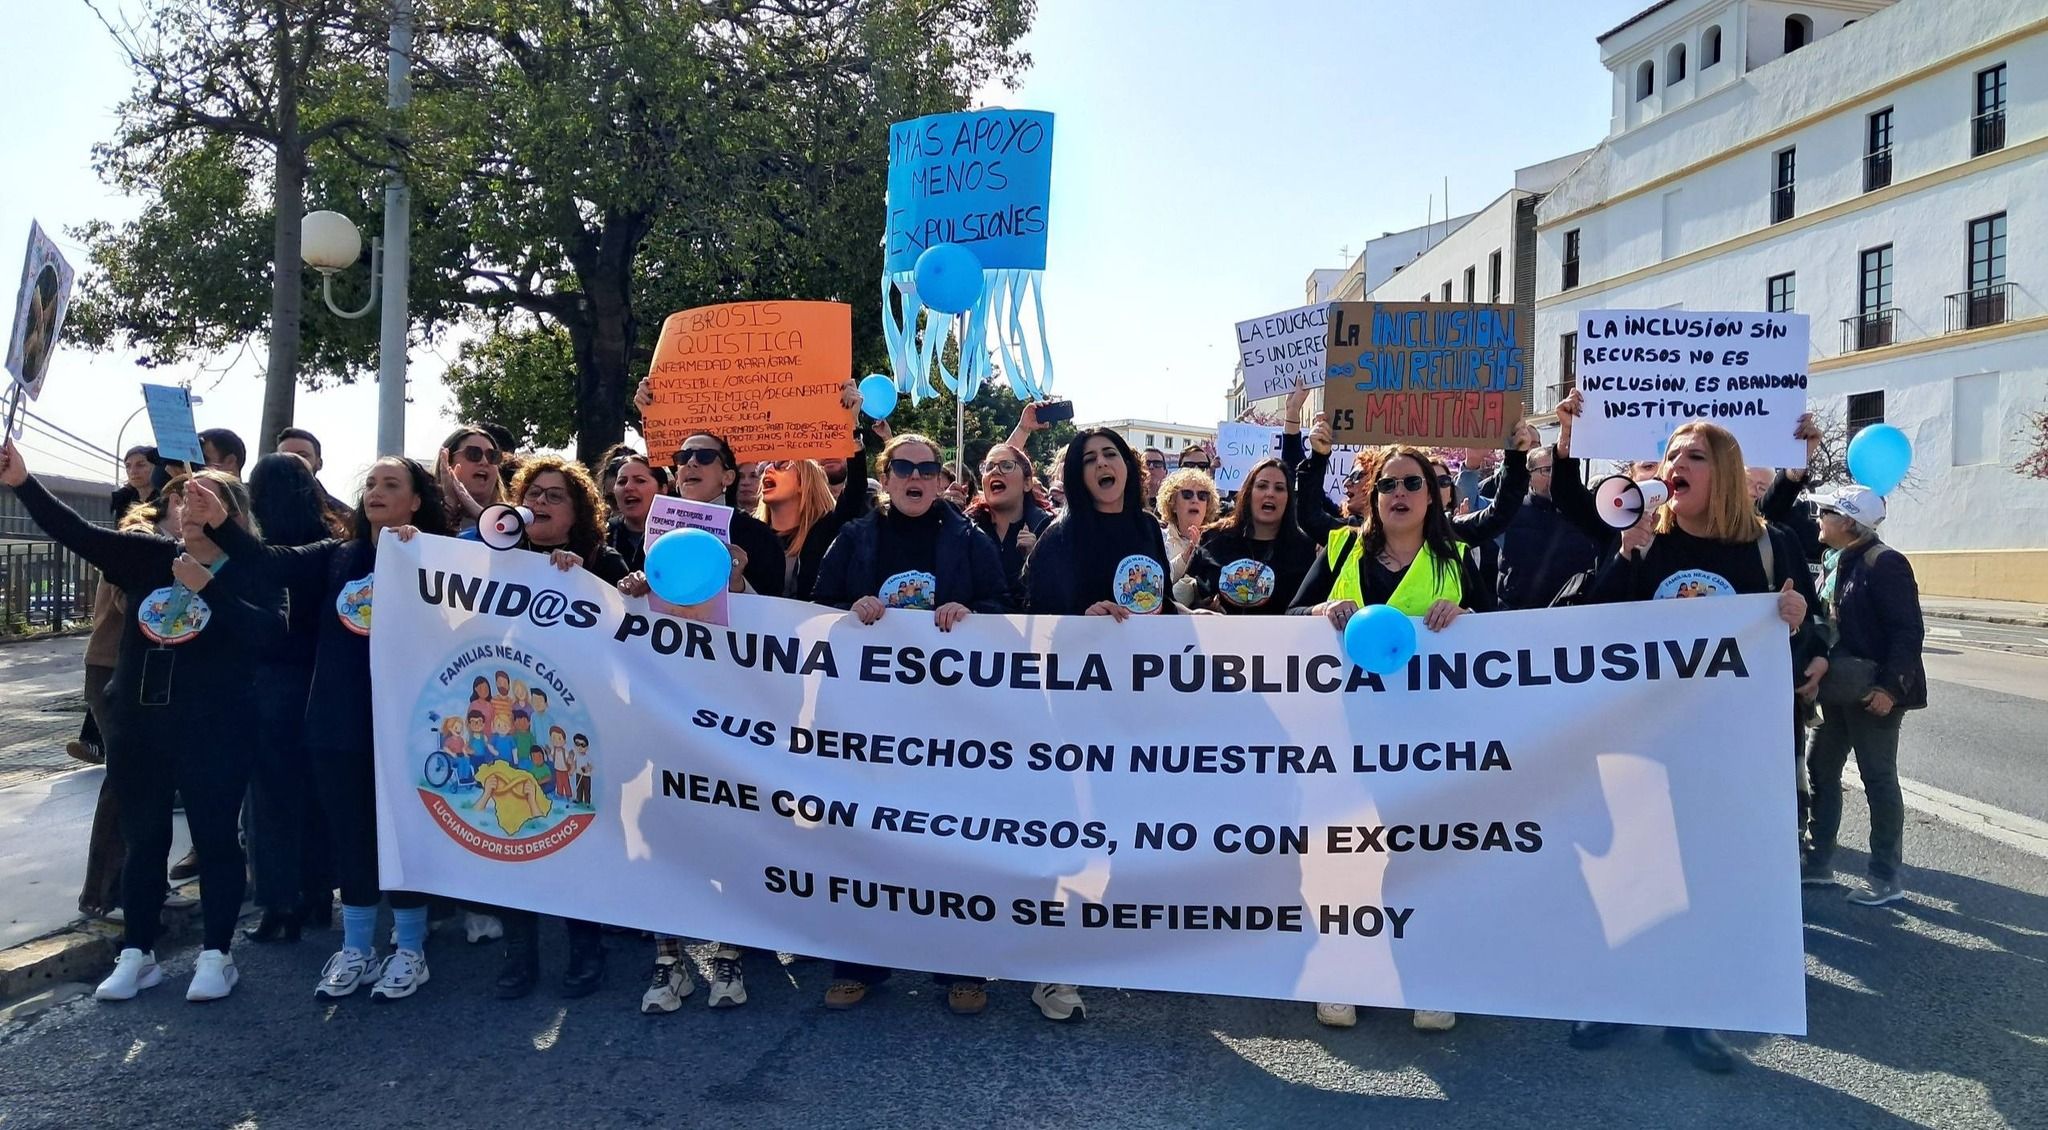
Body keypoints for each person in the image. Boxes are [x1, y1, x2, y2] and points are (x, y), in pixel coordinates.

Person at [1569, 419, 1824, 1074]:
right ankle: (1618, 997)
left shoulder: (1773, 545)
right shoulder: (1644, 542)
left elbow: (1809, 636)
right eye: (1673, 454)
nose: (1677, 463)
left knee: (1710, 883)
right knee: (1634, 875)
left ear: (1727, 472)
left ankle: (1697, 1012)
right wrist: (1624, 554)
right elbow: (1593, 629)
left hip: (1731, 751)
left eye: (1695, 455)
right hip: (1646, 742)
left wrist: (1801, 631)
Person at [1, 440, 285, 1003]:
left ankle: (216, 954)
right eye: (181, 500)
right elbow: (76, 533)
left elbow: (270, 635)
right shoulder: (148, 557)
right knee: (145, 836)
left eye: (204, 499)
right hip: (139, 723)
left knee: (213, 837)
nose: (188, 509)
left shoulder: (254, 568)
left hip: (216, 728)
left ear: (232, 513)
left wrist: (213, 590)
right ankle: (137, 951)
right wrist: (23, 482)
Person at [192, 456, 451, 1000]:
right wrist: (219, 522)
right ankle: (356, 947)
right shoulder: (337, 555)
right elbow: (267, 561)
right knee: (351, 837)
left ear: (416, 501)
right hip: (335, 724)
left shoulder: (440, 561)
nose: (376, 492)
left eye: (391, 485)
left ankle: (410, 950)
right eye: (372, 484)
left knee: (400, 838)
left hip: (409, 728)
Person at [807, 433, 1010, 1015]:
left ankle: (961, 971)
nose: (916, 477)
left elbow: (1005, 602)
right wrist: (851, 610)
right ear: (886, 475)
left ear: (943, 479)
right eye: (903, 467)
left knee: (952, 843)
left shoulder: (968, 538)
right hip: (869, 723)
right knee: (867, 842)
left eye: (927, 468)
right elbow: (816, 605)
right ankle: (859, 965)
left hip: (950, 724)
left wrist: (972, 614)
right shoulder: (855, 537)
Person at [1287, 444, 1486, 1036]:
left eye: (1412, 484)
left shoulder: (1460, 558)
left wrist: (1468, 615)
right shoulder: (1342, 547)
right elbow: (1293, 615)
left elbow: (1505, 637)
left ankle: (1425, 977)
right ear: (1372, 497)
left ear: (1433, 496)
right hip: (1347, 734)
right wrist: (1320, 609)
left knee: (1423, 855)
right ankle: (1345, 975)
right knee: (1347, 856)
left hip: (1431, 737)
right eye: (1388, 485)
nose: (1399, 494)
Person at [486, 456, 622, 997]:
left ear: (577, 514)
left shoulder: (600, 562)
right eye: (533, 493)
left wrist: (586, 579)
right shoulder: (494, 557)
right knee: (511, 832)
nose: (540, 504)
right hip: (515, 730)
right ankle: (519, 955)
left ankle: (586, 950)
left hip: (577, 729)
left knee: (575, 836)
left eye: (554, 496)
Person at [235, 454, 344, 946]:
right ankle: (319, 893)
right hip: (321, 682)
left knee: (270, 802)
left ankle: (279, 904)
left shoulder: (258, 550)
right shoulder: (332, 545)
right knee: (319, 797)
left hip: (270, 683)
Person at [1801, 485, 1925, 907]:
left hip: (1874, 693)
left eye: (1827, 512)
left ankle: (1885, 876)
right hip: (1840, 689)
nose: (1819, 518)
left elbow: (1907, 632)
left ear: (1850, 523)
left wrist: (1891, 689)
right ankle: (1818, 864)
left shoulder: (1885, 563)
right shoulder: (1836, 560)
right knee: (1821, 767)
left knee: (1878, 779)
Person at [1026, 428, 1182, 623]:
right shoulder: (1059, 535)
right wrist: (1084, 617)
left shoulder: (1148, 526)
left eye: (1110, 454)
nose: (1101, 462)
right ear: (1079, 476)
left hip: (1145, 650)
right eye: (1089, 460)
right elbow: (1038, 615)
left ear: (1127, 466)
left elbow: (1162, 599)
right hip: (1082, 650)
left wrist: (1191, 616)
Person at [1187, 457, 1316, 615]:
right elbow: (1184, 595)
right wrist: (1198, 607)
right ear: (1248, 493)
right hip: (1217, 637)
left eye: (1279, 488)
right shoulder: (1213, 538)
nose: (1270, 494)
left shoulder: (1305, 549)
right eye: (1262, 486)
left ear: (1289, 498)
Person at [667, 432, 785, 596]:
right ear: (676, 478)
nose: (692, 463)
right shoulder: (656, 530)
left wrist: (738, 584)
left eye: (705, 457)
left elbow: (774, 609)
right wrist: (637, 586)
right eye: (683, 457)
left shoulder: (757, 535)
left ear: (728, 477)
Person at [1491, 442, 1603, 611]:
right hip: (1523, 614)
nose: (1554, 475)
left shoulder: (1583, 512)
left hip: (1574, 611)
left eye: (1558, 469)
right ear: (1529, 476)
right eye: (1547, 470)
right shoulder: (1510, 511)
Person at [964, 442, 1054, 607]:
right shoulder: (965, 530)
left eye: (1006, 466)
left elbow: (1059, 598)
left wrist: (1034, 560)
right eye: (989, 467)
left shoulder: (1049, 531)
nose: (995, 471)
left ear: (1027, 483)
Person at [1157, 466, 1219, 608]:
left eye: (1202, 496)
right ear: (1172, 504)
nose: (1195, 500)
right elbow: (1157, 582)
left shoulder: (1218, 542)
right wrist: (1189, 554)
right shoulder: (1158, 538)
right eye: (1187, 494)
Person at [603, 453, 666, 573]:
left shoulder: (679, 533)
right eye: (622, 482)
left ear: (662, 489)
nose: (628, 487)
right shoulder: (600, 536)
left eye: (640, 481)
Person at [437, 424, 504, 532]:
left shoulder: (514, 519)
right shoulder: (421, 513)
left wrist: (478, 513)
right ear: (448, 462)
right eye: (473, 454)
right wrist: (450, 506)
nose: (484, 462)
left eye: (492, 456)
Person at [275, 426, 352, 519]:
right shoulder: (256, 508)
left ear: (319, 464)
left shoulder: (343, 515)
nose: (294, 461)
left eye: (302, 455)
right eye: (285, 456)